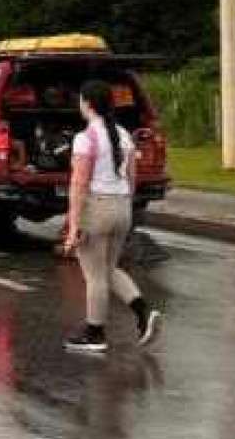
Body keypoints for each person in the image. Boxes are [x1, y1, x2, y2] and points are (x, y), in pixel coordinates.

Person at [61, 78, 161, 353]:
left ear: (88, 104)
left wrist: (73, 225)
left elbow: (79, 183)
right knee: (108, 270)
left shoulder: (85, 139)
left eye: (81, 100)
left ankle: (95, 333)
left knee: (94, 276)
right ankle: (143, 312)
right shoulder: (124, 136)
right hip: (121, 208)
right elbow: (131, 179)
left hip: (97, 208)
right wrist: (123, 205)